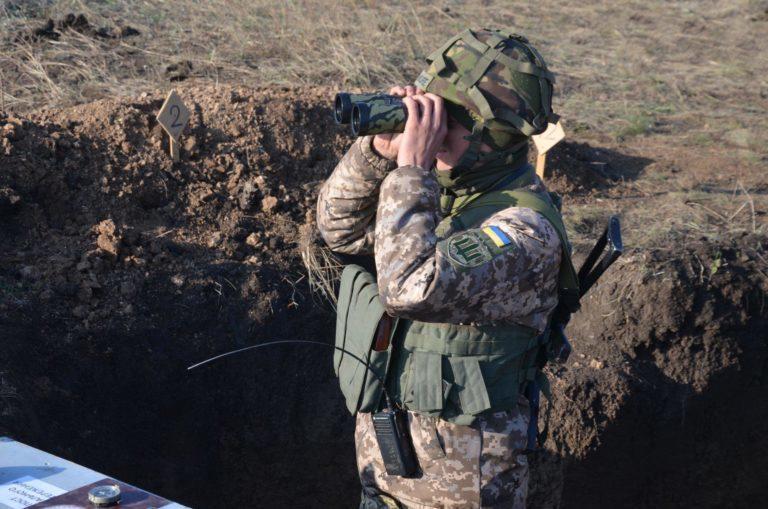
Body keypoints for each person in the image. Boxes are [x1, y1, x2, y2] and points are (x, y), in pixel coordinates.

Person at [316, 28, 577, 508]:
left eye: (446, 121)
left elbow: (410, 289)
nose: (429, 130)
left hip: (461, 495)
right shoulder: (442, 198)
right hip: (388, 477)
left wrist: (412, 173)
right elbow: (339, 230)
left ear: (489, 137)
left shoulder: (524, 232)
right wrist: (377, 154)